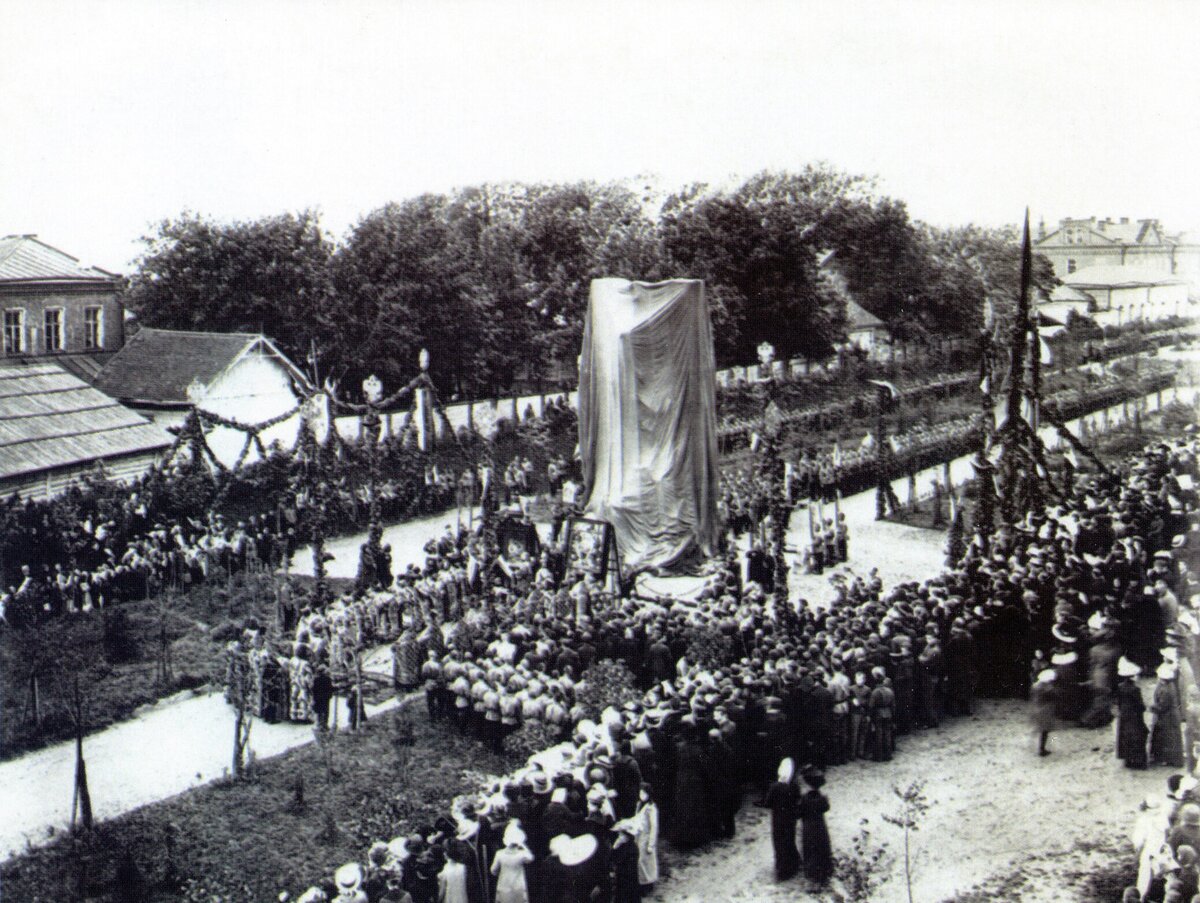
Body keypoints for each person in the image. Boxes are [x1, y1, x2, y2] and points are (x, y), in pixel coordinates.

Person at [762, 757, 800, 881]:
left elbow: (767, 803)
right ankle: (792, 865)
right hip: (790, 819)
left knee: (779, 843)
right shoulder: (794, 786)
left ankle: (781, 870)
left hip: (778, 819)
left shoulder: (774, 787)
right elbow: (798, 800)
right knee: (789, 840)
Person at [799, 767, 833, 886]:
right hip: (820, 825)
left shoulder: (804, 798)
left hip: (808, 826)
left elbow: (799, 812)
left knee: (810, 848)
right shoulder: (822, 798)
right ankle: (824, 870)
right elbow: (826, 808)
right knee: (821, 847)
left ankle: (811, 871)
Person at [1116, 657, 1149, 769]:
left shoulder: (1120, 687)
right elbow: (1140, 705)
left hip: (1124, 715)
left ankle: (1128, 759)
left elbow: (1119, 702)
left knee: (1126, 737)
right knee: (1137, 737)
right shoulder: (1135, 689)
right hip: (1135, 716)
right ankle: (1138, 761)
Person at [490, 822, 533, 903]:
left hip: (504, 886)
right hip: (519, 887)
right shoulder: (522, 854)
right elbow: (531, 858)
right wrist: (523, 846)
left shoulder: (500, 854)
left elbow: (493, 871)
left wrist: (500, 872)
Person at [1029, 669, 1058, 756]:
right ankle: (1042, 750)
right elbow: (1054, 696)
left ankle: (1038, 747)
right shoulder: (1048, 689)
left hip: (1036, 708)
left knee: (1040, 729)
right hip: (1045, 711)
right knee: (1044, 731)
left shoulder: (1035, 686)